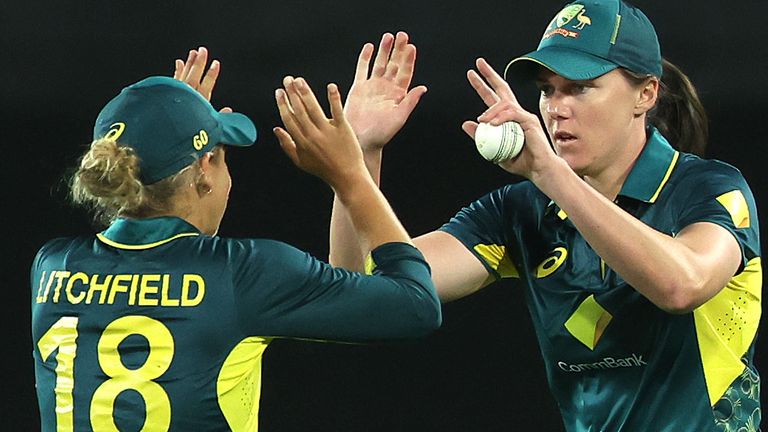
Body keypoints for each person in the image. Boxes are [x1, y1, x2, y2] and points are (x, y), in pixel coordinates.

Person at [331, 2, 761, 430]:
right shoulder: (521, 212)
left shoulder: (707, 189)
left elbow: (682, 286)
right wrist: (360, 156)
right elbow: (361, 292)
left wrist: (549, 173)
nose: (556, 108)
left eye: (579, 87)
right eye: (547, 90)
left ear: (645, 94)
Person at [30, 48, 441, 431]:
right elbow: (415, 305)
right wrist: (352, 175)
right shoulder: (247, 273)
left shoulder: (52, 266)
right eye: (224, 155)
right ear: (206, 167)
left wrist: (171, 123)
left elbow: (180, 276)